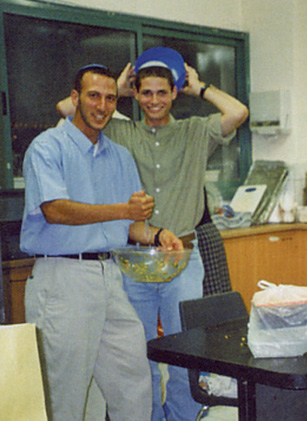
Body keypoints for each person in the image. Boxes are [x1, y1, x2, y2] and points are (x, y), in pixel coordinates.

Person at [57, 47, 248, 420]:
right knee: (136, 353)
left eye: (163, 92)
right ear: (136, 93)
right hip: (133, 260)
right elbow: (67, 109)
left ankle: (182, 417)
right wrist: (118, 90)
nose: (154, 100)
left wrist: (199, 87)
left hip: (183, 257)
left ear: (175, 92)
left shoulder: (195, 131)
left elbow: (238, 112)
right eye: (146, 92)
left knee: (186, 350)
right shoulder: (120, 131)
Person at [20, 64, 183, 420]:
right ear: (75, 98)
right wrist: (124, 210)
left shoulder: (120, 155)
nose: (102, 106)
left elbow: (130, 225)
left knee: (133, 380)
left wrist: (158, 235)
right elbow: (54, 210)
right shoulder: (48, 147)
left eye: (111, 98)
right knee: (65, 394)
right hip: (63, 278)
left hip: (109, 275)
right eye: (94, 96)